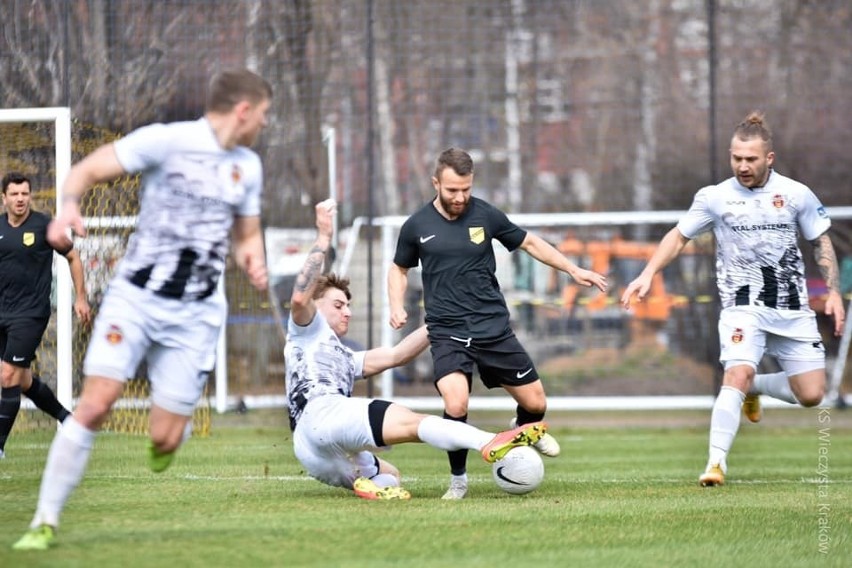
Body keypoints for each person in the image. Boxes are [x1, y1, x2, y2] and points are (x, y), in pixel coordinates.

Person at [12, 68, 272, 551]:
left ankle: (169, 432)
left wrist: (252, 255)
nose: (264, 124)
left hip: (195, 316)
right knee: (94, 404)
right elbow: (85, 172)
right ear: (243, 110)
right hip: (135, 299)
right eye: (263, 115)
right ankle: (43, 521)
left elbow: (247, 232)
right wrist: (68, 206)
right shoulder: (166, 142)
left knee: (165, 440)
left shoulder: (248, 167)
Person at [620, 111, 845, 487]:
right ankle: (715, 464)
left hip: (792, 309)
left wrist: (834, 291)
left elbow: (820, 241)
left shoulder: (796, 194)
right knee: (736, 372)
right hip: (743, 307)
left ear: (768, 158)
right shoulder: (714, 197)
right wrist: (647, 274)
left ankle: (754, 387)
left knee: (811, 395)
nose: (742, 166)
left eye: (751, 159)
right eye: (736, 158)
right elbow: (678, 237)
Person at [286, 199, 548, 500]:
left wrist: (444, 319)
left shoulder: (344, 358)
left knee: (392, 477)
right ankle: (490, 441)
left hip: (310, 451)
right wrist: (323, 237)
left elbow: (399, 355)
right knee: (418, 423)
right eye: (338, 305)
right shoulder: (306, 329)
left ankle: (365, 483)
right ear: (316, 307)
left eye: (348, 305)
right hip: (326, 414)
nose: (347, 312)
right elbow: (298, 299)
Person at [387, 147, 608, 499]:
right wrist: (396, 304)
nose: (459, 198)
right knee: (456, 402)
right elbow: (399, 268)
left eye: (466, 189)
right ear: (435, 183)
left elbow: (530, 243)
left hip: (492, 327)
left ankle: (522, 429)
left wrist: (573, 269)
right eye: (451, 190)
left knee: (535, 403)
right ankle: (458, 480)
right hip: (447, 329)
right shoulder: (416, 226)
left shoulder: (486, 215)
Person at [0, 173, 91, 459]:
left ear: (30, 196)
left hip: (30, 314)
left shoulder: (45, 226)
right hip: (2, 312)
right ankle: (68, 419)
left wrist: (81, 297)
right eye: (14, 194)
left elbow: (73, 257)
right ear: (4, 198)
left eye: (24, 193)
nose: (20, 199)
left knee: (7, 375)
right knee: (22, 379)